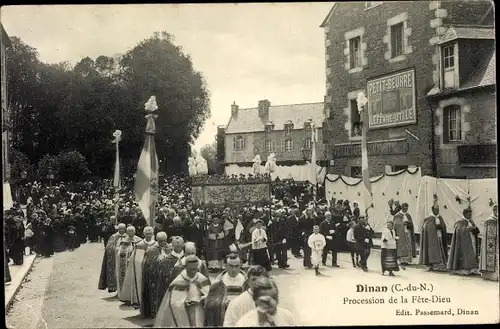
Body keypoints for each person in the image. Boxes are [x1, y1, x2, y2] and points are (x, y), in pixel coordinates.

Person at [154, 255, 211, 327]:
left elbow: (210, 295)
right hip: (183, 313)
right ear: (185, 267)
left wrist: (203, 299)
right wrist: (185, 303)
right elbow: (173, 302)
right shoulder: (178, 281)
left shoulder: (201, 278)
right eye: (191, 269)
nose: (194, 272)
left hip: (199, 311)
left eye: (195, 269)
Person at [205, 253, 248, 327]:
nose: (234, 269)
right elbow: (209, 304)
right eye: (231, 266)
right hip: (224, 318)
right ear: (225, 266)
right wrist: (223, 303)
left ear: (240, 265)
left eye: (237, 266)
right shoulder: (218, 283)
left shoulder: (247, 282)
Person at [121, 226, 156, 308]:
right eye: (147, 234)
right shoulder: (140, 245)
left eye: (150, 233)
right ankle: (138, 300)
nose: (148, 235)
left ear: (152, 234)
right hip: (141, 269)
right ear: (144, 234)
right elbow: (135, 259)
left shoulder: (156, 244)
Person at [141, 231, 171, 319]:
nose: (163, 243)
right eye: (160, 241)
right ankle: (154, 312)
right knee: (155, 294)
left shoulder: (170, 248)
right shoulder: (151, 249)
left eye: (164, 240)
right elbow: (146, 263)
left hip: (166, 277)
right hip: (154, 277)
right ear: (157, 240)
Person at [447, 207, 480, 276]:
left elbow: (477, 230)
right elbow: (459, 230)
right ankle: (465, 269)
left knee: (473, 253)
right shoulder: (460, 222)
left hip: (472, 240)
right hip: (463, 242)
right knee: (465, 255)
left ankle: (472, 269)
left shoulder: (471, 221)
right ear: (464, 214)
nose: (470, 216)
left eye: (471, 214)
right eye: (469, 214)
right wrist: (468, 229)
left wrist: (474, 229)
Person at [98, 222, 126, 293]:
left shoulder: (128, 236)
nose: (122, 230)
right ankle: (114, 287)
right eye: (120, 229)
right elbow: (109, 248)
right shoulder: (113, 237)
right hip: (115, 259)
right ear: (118, 229)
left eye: (123, 229)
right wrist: (116, 249)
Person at [419, 203, 448, 272]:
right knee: (432, 251)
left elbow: (444, 226)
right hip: (431, 238)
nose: (437, 211)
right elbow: (426, 228)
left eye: (438, 210)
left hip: (439, 236)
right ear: (432, 210)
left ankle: (441, 265)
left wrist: (441, 227)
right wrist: (434, 228)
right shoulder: (429, 218)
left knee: (440, 250)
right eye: (435, 210)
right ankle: (432, 265)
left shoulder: (440, 217)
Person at [116, 226, 142, 303]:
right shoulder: (123, 241)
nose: (131, 233)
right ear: (127, 232)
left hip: (135, 263)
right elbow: (119, 252)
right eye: (129, 231)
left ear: (135, 232)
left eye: (132, 231)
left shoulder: (139, 240)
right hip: (125, 264)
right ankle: (126, 296)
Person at [480, 204, 498, 281]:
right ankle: (491, 275)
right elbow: (490, 234)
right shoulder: (490, 220)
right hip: (492, 243)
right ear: (494, 210)